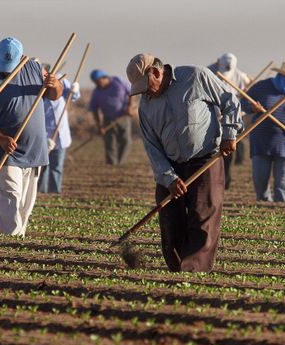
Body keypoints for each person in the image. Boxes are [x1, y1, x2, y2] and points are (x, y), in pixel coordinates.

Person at [127, 53, 242, 272]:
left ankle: (192, 272)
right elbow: (152, 147)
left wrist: (229, 134)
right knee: (170, 220)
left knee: (202, 217)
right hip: (171, 165)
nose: (145, 92)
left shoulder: (195, 76)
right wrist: (169, 178)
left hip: (206, 159)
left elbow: (230, 101)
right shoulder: (146, 106)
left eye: (146, 85)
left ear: (157, 73)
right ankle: (177, 268)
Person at [0, 37, 62, 236]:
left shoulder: (35, 69)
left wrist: (54, 84)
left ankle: (18, 239)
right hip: (3, 151)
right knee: (10, 197)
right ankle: (11, 240)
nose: (7, 70)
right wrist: (1, 137)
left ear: (21, 57)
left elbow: (55, 95)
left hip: (33, 150)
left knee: (25, 203)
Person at [242, 61, 285, 203]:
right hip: (261, 142)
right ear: (283, 77)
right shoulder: (262, 87)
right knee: (260, 178)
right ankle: (263, 203)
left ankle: (281, 206)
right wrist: (252, 107)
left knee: (282, 180)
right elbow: (243, 102)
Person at [208, 53, 251, 189]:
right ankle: (212, 181)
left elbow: (248, 92)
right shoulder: (208, 72)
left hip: (232, 116)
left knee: (228, 149)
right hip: (212, 117)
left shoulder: (240, 76)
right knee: (211, 150)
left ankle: (225, 182)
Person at [38, 64, 81, 194]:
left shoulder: (59, 80)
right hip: (44, 135)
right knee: (43, 167)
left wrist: (75, 90)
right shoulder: (36, 87)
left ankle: (55, 191)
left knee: (57, 166)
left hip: (61, 133)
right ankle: (41, 192)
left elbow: (73, 96)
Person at [89, 69, 134, 165]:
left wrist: (129, 107)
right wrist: (99, 126)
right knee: (110, 143)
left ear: (104, 78)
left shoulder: (119, 81)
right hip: (108, 119)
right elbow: (94, 110)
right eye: (95, 82)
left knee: (126, 141)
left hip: (123, 117)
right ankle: (112, 164)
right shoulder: (96, 92)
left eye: (98, 81)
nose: (98, 84)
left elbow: (131, 92)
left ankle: (120, 163)